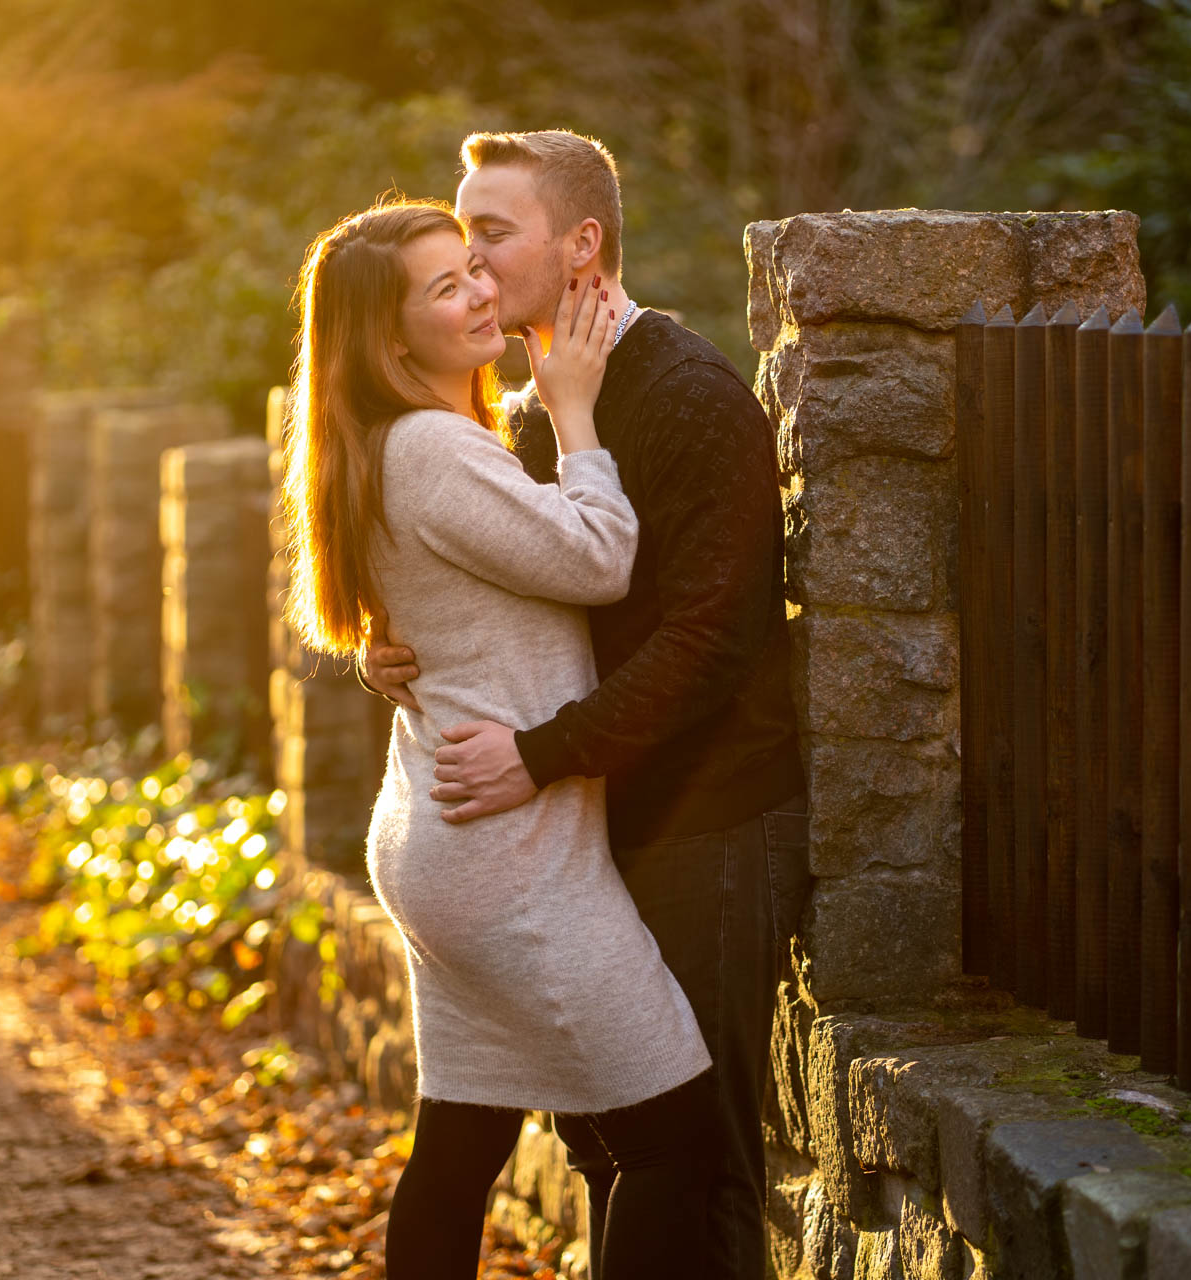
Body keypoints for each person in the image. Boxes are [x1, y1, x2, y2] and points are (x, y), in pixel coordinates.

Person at [362, 131, 810, 1279]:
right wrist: (397, 646)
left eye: (490, 235)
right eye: (457, 242)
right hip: (583, 824)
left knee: (694, 1156)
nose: (470, 262)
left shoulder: (689, 395)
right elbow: (500, 589)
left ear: (583, 245)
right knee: (614, 1148)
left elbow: (710, 643)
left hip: (705, 819)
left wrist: (546, 751)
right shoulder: (531, 411)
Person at [280, 197, 720, 1279]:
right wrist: (575, 410)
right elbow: (599, 560)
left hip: (443, 831)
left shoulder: (385, 444)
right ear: (392, 340)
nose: (480, 291)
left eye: (473, 267)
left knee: (464, 1136)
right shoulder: (433, 448)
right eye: (445, 287)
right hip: (505, 857)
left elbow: (427, 624)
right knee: (676, 1135)